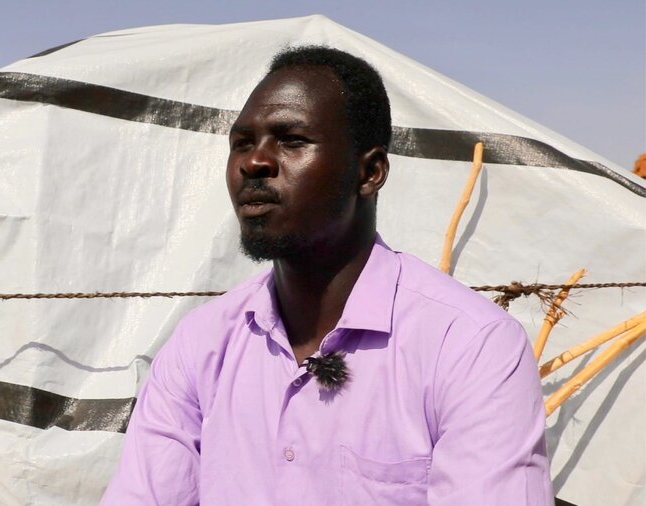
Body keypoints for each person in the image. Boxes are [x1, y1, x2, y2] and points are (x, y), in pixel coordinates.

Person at [102, 46, 553, 505]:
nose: (254, 162)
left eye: (292, 140)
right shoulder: (200, 346)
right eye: (242, 142)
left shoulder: (468, 346)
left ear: (370, 172)